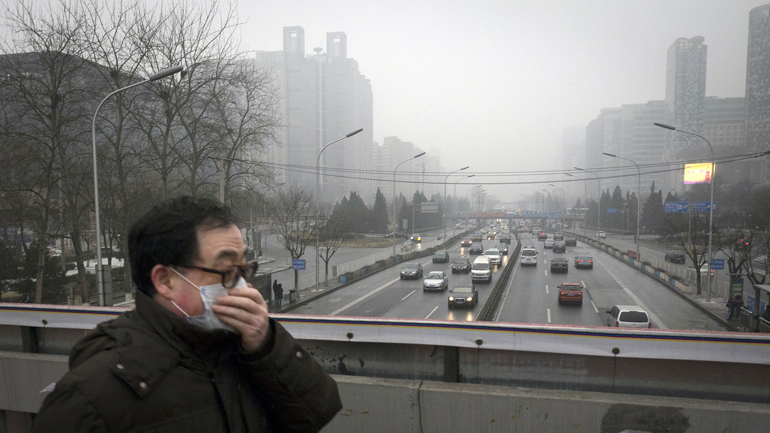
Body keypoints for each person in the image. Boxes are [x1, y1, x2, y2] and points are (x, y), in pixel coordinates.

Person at [32, 196, 341, 433]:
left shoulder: (243, 349)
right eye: (226, 269)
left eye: (244, 268)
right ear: (165, 281)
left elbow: (317, 413)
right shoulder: (90, 396)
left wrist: (265, 345)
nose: (245, 286)